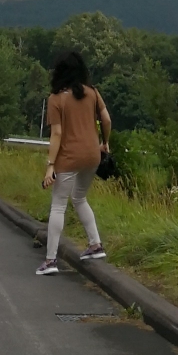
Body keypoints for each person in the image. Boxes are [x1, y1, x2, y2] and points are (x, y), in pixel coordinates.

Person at [37, 51, 111, 276]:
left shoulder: (56, 99)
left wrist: (51, 164)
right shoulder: (92, 93)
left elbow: (57, 133)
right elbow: (106, 119)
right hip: (92, 155)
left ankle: (50, 261)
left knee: (59, 205)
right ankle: (95, 244)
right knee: (79, 197)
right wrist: (105, 143)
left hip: (69, 157)